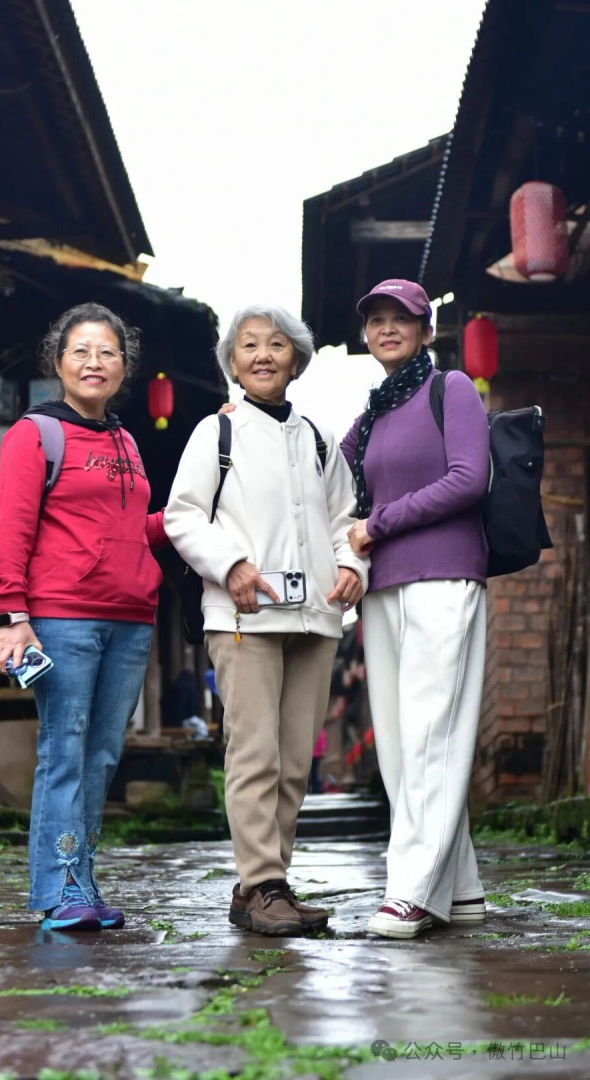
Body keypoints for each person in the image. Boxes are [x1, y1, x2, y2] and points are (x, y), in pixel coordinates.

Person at [164, 305, 369, 936]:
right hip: (244, 613)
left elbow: (345, 519)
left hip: (315, 617)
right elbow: (182, 515)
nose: (263, 355)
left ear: (296, 360)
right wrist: (230, 566)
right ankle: (262, 884)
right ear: (232, 361)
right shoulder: (216, 433)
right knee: (254, 752)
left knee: (292, 761)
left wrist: (350, 566)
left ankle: (266, 883)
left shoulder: (318, 438)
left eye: (276, 344)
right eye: (249, 345)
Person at [0, 302, 166, 932]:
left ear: (124, 366)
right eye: (81, 351)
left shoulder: (126, 442)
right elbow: (12, 528)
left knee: (103, 755)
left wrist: (185, 515)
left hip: (131, 617)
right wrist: (14, 614)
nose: (95, 362)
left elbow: (131, 529)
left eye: (108, 352)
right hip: (63, 616)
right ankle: (59, 888)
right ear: (59, 363)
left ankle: (82, 881)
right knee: (65, 748)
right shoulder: (35, 433)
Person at [341, 279, 489, 939]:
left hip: (444, 575)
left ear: (426, 330)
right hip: (384, 590)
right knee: (403, 748)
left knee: (433, 733)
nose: (387, 328)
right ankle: (461, 888)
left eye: (400, 318)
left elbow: (468, 478)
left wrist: (379, 523)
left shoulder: (450, 389)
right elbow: (328, 470)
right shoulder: (374, 411)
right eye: (375, 319)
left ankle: (411, 893)